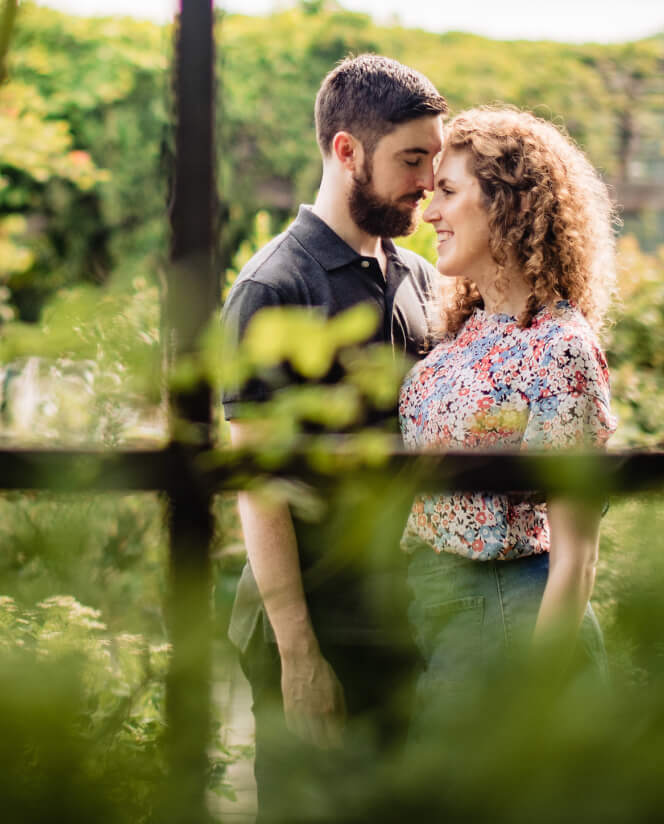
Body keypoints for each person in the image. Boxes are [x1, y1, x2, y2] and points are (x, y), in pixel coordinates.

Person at [222, 54, 448, 817]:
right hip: (311, 622)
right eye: (410, 160)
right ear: (348, 151)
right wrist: (298, 652)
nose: (426, 180)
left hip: (401, 614)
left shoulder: (418, 281)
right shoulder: (272, 288)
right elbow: (258, 488)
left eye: (433, 160)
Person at [397, 106, 618, 737]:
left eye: (447, 191)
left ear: (505, 204)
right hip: (444, 610)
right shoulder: (466, 333)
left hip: (509, 616)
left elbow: (577, 556)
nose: (429, 212)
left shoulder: (559, 346)